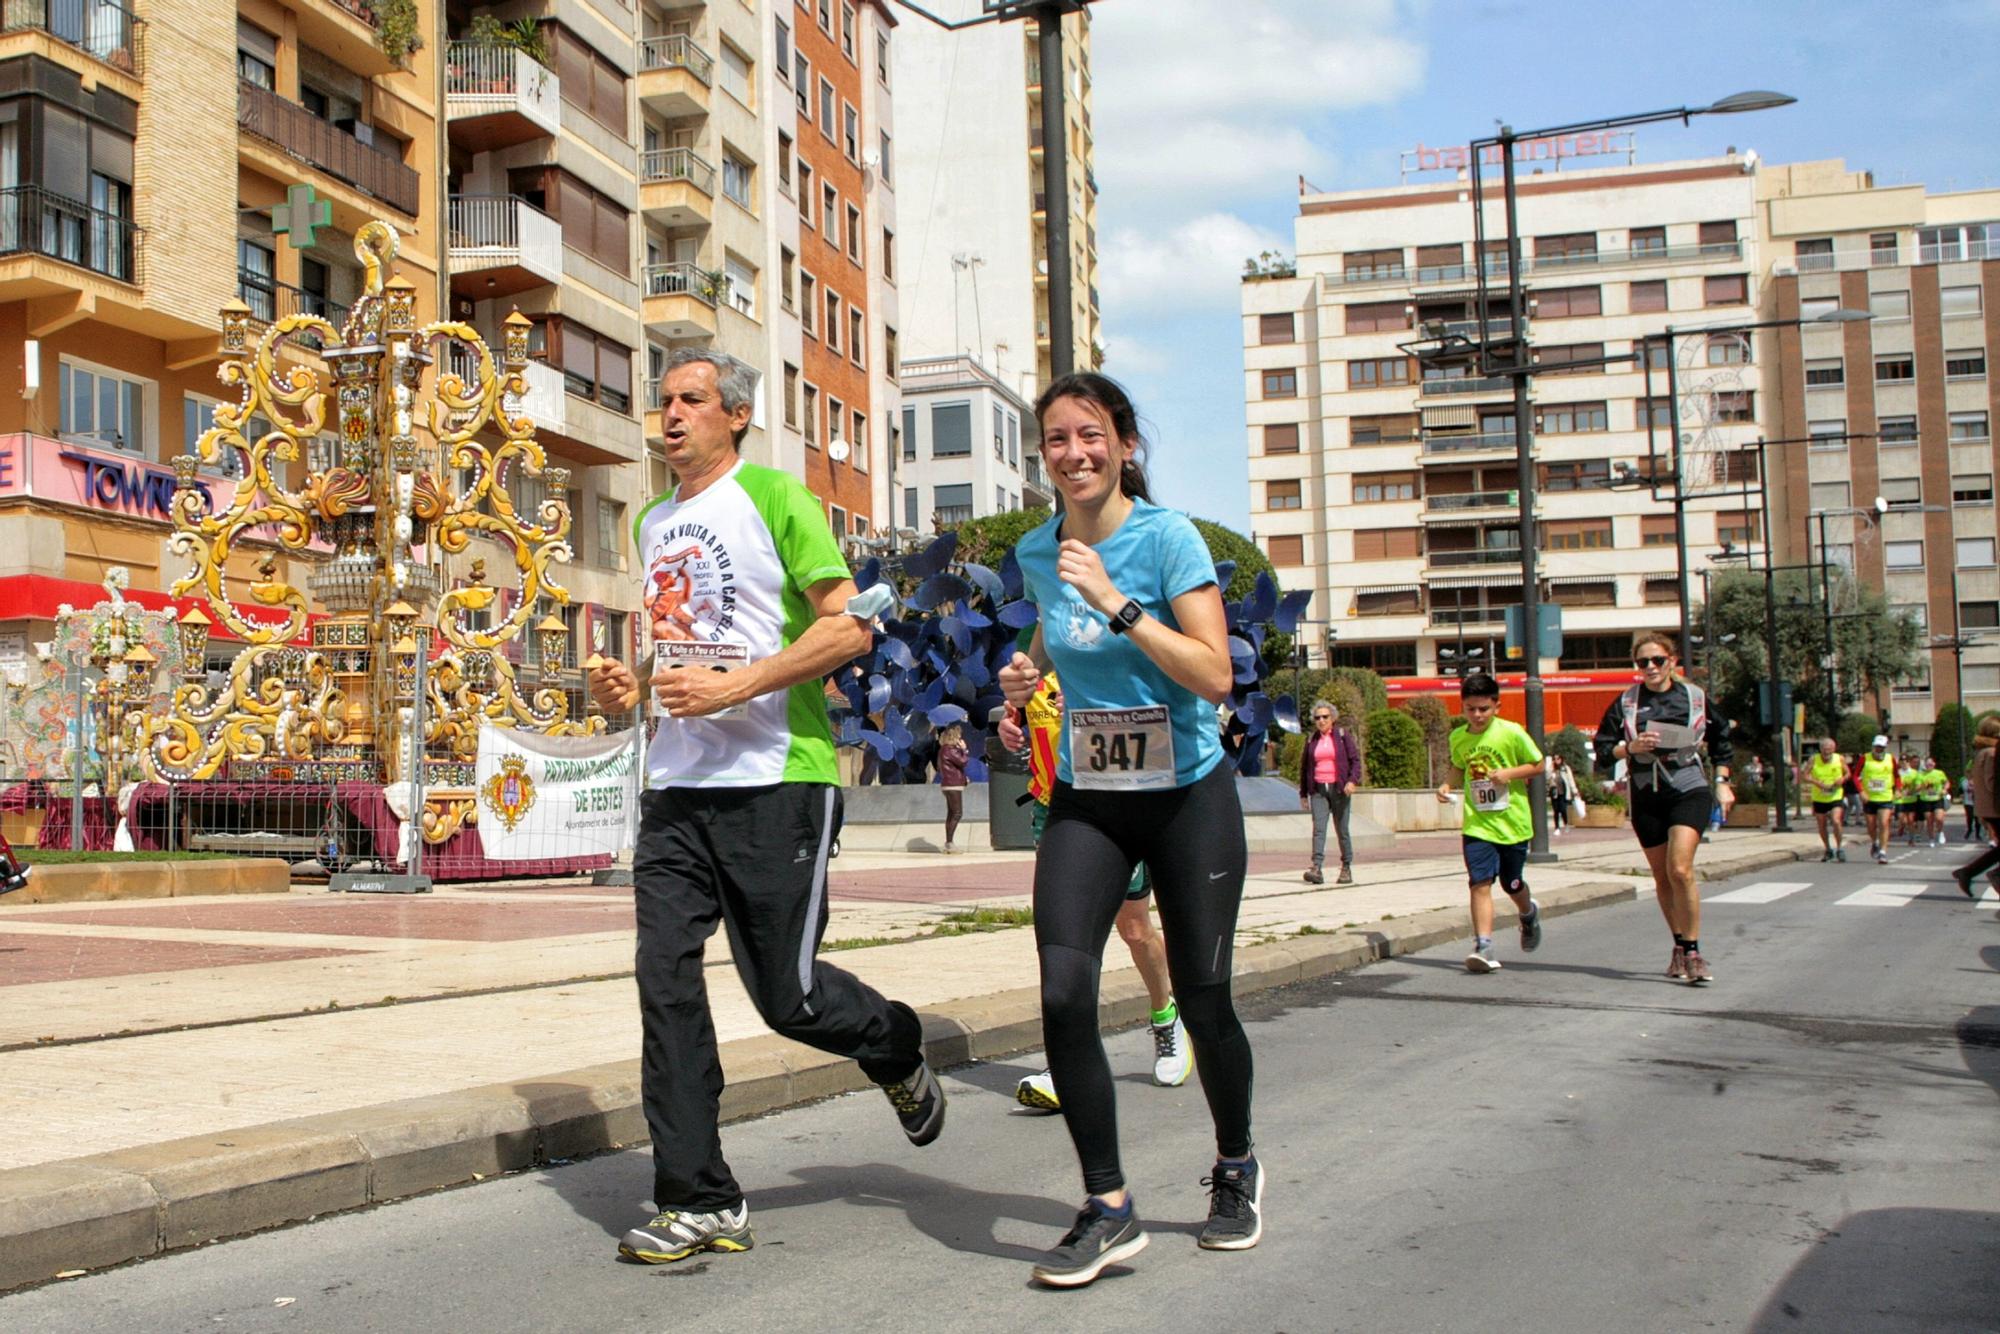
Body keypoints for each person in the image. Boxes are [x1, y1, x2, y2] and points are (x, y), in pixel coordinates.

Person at [587, 348, 944, 1267]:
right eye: (663, 401)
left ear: (735, 416)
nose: (671, 416)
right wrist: (628, 689)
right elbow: (680, 655)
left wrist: (734, 688)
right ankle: (699, 1197)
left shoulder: (779, 500)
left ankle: (895, 1046)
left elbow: (849, 625)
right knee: (663, 984)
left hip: (780, 780)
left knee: (787, 999)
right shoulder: (653, 523)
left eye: (691, 401)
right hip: (676, 789)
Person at [998, 371, 1260, 1288]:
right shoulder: (1040, 550)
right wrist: (1021, 677)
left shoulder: (1167, 537)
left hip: (1188, 795)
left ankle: (1235, 1164)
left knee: (1204, 995)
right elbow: (1049, 633)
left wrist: (1119, 602)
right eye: (1057, 440)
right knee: (1065, 990)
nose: (1075, 453)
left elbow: (1215, 675)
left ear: (1125, 444)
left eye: (1091, 434)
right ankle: (1108, 1206)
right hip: (1089, 796)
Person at [1001, 670, 1194, 1111]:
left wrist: (1100, 710)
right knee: (1066, 939)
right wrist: (1009, 728)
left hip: (1114, 802)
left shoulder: (1106, 640)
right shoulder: (1031, 648)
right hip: (1052, 808)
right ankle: (1066, 1064)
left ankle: (1166, 1017)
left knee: (1133, 929)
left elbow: (1160, 717)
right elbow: (1018, 714)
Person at [1593, 631, 1732, 986]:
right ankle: (1678, 944)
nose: (1651, 667)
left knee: (1680, 869)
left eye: (1658, 660)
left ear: (1672, 661)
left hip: (1688, 786)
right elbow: (1603, 748)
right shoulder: (1626, 702)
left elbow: (1721, 740)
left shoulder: (1695, 698)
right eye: (1643, 662)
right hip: (1645, 791)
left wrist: (1723, 780)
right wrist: (1632, 746)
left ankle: (1694, 951)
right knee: (1661, 876)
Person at [1436, 672, 1545, 973]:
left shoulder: (1511, 732)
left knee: (1512, 883)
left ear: (1497, 705)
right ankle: (1484, 944)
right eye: (1471, 708)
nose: (1477, 715)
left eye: (1484, 708)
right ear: (1462, 708)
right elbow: (1458, 766)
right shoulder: (1458, 737)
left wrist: (1509, 774)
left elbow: (1538, 764)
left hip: (1512, 824)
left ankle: (1527, 912)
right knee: (1479, 883)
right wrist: (1447, 785)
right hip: (1477, 825)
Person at [1297, 700, 1361, 883]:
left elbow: (1355, 761)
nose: (1321, 720)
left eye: (1325, 717)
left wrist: (1352, 781)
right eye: (1317, 718)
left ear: (1332, 718)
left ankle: (1346, 867)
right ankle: (1316, 868)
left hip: (1340, 789)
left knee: (1342, 830)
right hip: (1318, 789)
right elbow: (1304, 768)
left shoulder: (1342, 736)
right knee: (1319, 829)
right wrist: (1303, 793)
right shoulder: (1311, 739)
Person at [1953, 718, 2000, 898]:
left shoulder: (1982, 752)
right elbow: (1991, 782)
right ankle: (1989, 874)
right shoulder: (1991, 753)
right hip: (1995, 807)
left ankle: (1968, 872)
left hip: (1986, 807)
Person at [1799, 737, 1849, 863]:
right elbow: (1804, 775)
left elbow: (1848, 773)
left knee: (1836, 820)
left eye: (1830, 750)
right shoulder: (1813, 759)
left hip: (1835, 795)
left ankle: (1839, 848)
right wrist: (1816, 782)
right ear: (1820, 749)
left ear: (1834, 749)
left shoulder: (1839, 758)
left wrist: (1842, 779)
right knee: (1821, 825)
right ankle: (1828, 849)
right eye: (1825, 750)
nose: (1827, 753)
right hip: (1819, 796)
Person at [1854, 736, 1899, 863]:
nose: (1878, 749)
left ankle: (1883, 852)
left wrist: (1899, 789)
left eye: (1881, 747)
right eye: (1877, 747)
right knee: (1871, 825)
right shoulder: (1865, 758)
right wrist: (1861, 791)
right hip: (1869, 798)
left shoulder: (1891, 759)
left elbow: (1897, 776)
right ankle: (1875, 842)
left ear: (1885, 748)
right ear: (1873, 747)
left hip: (1885, 796)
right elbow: (1855, 776)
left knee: (1884, 823)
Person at [936, 724, 969, 854]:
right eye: (959, 735)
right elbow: (963, 761)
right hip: (953, 785)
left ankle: (949, 843)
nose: (960, 738)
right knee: (957, 813)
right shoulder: (950, 750)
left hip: (948, 784)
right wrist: (964, 750)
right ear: (954, 736)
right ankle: (949, 843)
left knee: (951, 814)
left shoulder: (943, 750)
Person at [1918, 755, 1950, 848]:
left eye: (1931, 763)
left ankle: (1940, 832)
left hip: (1937, 799)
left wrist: (1945, 789)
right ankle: (1931, 839)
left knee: (1939, 818)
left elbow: (1947, 782)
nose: (1929, 765)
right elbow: (1917, 788)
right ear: (1925, 765)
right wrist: (1922, 786)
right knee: (1929, 820)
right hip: (1926, 800)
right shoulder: (1921, 775)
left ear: (1934, 764)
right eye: (1927, 764)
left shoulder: (1939, 773)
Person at [1547, 755, 1575, 837]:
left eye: (1558, 758)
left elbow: (1570, 779)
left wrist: (1574, 790)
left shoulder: (1565, 768)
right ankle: (1557, 828)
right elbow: (1547, 777)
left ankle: (1566, 824)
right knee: (1556, 810)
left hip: (1563, 792)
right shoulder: (1552, 769)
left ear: (1561, 759)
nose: (1556, 760)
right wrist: (1550, 767)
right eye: (1554, 759)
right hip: (1554, 792)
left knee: (1563, 809)